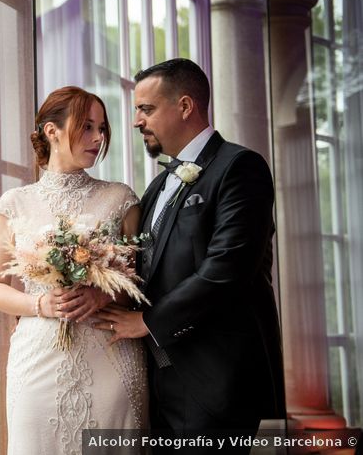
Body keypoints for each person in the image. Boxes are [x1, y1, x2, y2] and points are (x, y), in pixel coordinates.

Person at [96, 58, 285, 451]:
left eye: (146, 109)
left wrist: (147, 321)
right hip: (159, 380)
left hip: (216, 380)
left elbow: (226, 269)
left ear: (185, 106)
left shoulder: (239, 167)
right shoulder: (158, 185)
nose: (136, 121)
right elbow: (143, 266)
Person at [0, 86, 148, 455]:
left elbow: (143, 278)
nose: (97, 137)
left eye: (101, 128)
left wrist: (104, 291)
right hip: (37, 356)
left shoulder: (120, 198)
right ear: (51, 131)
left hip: (109, 350)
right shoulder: (13, 204)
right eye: (86, 126)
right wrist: (42, 305)